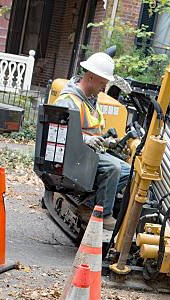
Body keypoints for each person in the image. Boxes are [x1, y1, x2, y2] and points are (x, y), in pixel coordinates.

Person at [55, 52, 130, 231]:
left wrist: (107, 142)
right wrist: (86, 139)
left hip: (90, 152)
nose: (104, 87)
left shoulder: (90, 101)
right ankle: (103, 214)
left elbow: (93, 129)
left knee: (129, 170)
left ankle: (88, 205)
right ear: (90, 77)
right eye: (102, 82)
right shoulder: (68, 101)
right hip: (75, 154)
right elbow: (61, 133)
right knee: (113, 168)